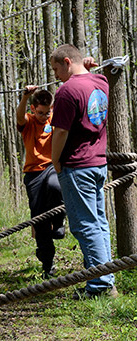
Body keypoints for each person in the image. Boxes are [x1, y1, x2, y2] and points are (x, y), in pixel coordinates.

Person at [50, 44, 117, 299]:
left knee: (86, 226)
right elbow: (89, 81)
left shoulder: (67, 92)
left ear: (67, 62)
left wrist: (55, 160)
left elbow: (61, 131)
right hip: (98, 164)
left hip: (77, 167)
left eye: (57, 68)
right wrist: (88, 68)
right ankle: (106, 281)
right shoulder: (100, 82)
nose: (56, 75)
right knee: (99, 224)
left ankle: (100, 286)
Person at [16, 86, 65, 279]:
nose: (45, 116)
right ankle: (48, 263)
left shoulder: (55, 118)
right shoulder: (28, 121)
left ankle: (59, 221)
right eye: (41, 113)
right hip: (33, 174)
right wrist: (24, 97)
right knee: (39, 219)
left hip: (52, 166)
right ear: (33, 109)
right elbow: (20, 116)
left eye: (48, 112)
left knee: (56, 186)